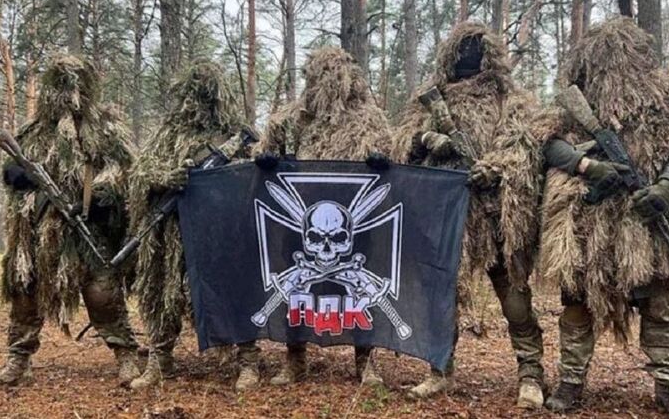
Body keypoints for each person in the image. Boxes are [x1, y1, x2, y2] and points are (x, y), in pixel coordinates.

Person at [538, 18, 669, 419]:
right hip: (588, 223)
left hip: (644, 225)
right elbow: (549, 144)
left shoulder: (663, 99)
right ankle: (570, 382)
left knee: (658, 305)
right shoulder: (574, 101)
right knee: (577, 306)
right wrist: (587, 166)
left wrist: (667, 186)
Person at [390, 22, 545, 407]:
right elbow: (403, 145)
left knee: (514, 298)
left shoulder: (509, 98)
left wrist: (494, 168)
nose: (469, 57)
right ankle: (439, 370)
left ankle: (531, 374)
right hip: (445, 213)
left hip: (495, 212)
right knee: (442, 294)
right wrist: (429, 140)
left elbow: (525, 145)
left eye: (476, 49)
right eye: (462, 50)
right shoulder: (432, 98)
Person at [0, 55, 140, 390]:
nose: (67, 95)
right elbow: (11, 173)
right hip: (39, 232)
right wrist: (20, 175)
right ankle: (19, 358)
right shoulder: (34, 132)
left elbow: (125, 174)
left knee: (102, 292)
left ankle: (125, 352)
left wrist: (99, 199)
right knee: (25, 292)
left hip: (88, 231)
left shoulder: (105, 130)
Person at [255, 46, 392, 387]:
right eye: (319, 76)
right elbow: (263, 149)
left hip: (355, 224)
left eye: (334, 76)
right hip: (300, 220)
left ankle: (365, 361)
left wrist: (383, 160)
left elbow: (394, 154)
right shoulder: (292, 120)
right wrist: (266, 159)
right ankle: (294, 359)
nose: (327, 83)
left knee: (360, 292)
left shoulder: (369, 120)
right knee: (296, 292)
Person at [128, 60, 260, 391]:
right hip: (173, 229)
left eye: (205, 96)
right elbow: (140, 172)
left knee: (233, 289)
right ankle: (160, 361)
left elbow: (254, 174)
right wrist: (166, 177)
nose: (197, 103)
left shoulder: (235, 135)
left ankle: (248, 361)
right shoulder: (169, 133)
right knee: (163, 293)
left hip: (220, 229)